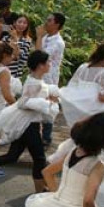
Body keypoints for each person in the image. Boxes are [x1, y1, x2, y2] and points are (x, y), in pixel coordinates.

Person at [0, 50, 60, 193]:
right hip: (28, 125)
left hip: (29, 124)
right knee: (39, 158)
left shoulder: (37, 80)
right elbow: (23, 103)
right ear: (40, 65)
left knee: (12, 156)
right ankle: (39, 191)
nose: (50, 64)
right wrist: (47, 104)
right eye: (48, 62)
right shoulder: (33, 82)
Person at [58, 44, 104, 126]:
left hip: (78, 105)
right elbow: (103, 97)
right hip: (95, 110)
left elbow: (72, 84)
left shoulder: (83, 67)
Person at [35, 12, 66, 145]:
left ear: (57, 24)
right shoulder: (46, 37)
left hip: (49, 78)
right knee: (36, 104)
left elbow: (39, 56)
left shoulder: (58, 42)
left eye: (49, 20)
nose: (45, 23)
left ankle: (47, 137)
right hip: (38, 75)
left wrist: (39, 36)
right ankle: (35, 133)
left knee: (49, 104)